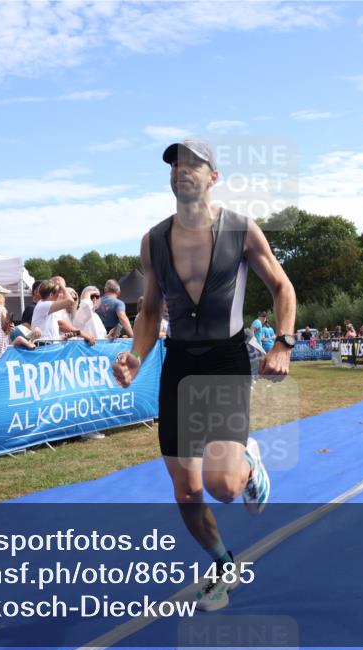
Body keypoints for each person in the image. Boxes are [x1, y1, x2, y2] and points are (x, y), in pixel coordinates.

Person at [112, 138, 295, 612]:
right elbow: (150, 309)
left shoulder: (241, 229)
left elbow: (281, 286)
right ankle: (222, 565)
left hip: (226, 362)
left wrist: (283, 342)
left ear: (213, 176)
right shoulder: (153, 239)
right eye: (175, 164)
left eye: (193, 164)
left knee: (222, 487)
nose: (182, 170)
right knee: (187, 489)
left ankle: (249, 466)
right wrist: (136, 355)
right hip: (179, 364)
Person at [0, 283, 34, 361]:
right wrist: (8, 327)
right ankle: (19, 339)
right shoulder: (0, 308)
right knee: (8, 347)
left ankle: (19, 340)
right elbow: (4, 328)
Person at [31, 279, 91, 343]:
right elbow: (70, 301)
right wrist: (62, 287)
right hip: (45, 347)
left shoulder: (48, 309)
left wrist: (66, 336)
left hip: (50, 346)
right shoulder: (44, 305)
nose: (59, 295)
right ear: (51, 295)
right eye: (58, 293)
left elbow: (54, 336)